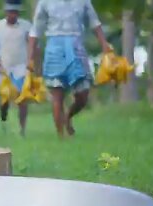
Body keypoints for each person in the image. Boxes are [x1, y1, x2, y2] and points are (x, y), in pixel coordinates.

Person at [28, 0, 110, 138]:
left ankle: (68, 116)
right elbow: (35, 31)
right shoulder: (45, 2)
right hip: (55, 48)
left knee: (83, 94)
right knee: (57, 95)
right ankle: (61, 136)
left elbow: (95, 23)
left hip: (76, 45)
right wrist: (30, 58)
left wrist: (104, 45)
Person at [0, 0, 32, 137]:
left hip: (21, 67)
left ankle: (23, 128)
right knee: (4, 99)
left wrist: (33, 64)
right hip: (3, 67)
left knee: (22, 98)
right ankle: (4, 119)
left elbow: (33, 45)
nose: (12, 15)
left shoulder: (26, 26)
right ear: (6, 12)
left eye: (15, 12)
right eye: (10, 12)